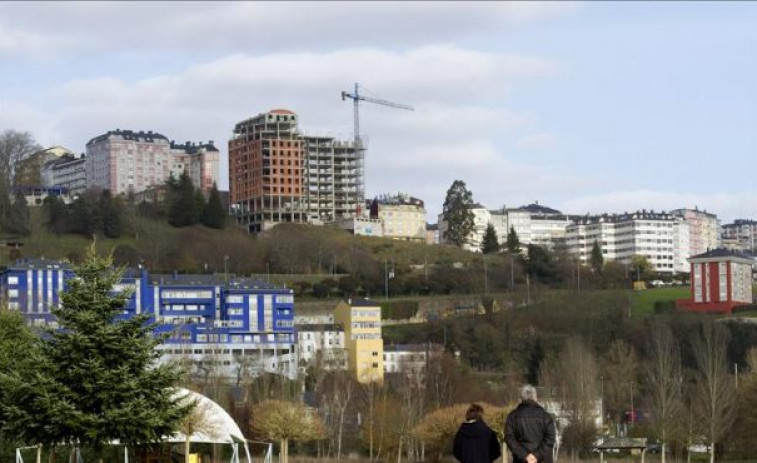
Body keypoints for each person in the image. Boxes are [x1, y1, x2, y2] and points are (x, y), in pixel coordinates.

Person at [505, 385, 556, 463]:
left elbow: (509, 438)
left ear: (522, 398)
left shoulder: (512, 417)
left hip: (521, 460)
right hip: (542, 460)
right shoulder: (546, 416)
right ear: (535, 398)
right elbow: (550, 439)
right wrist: (537, 455)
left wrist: (524, 455)